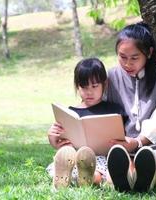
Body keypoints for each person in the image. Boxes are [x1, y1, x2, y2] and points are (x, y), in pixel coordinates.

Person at [105, 22, 156, 193]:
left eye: (134, 58)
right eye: (122, 57)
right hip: (120, 148)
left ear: (149, 53)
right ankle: (123, 179)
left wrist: (139, 142)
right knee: (113, 174)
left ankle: (142, 178)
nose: (127, 64)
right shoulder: (111, 76)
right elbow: (95, 109)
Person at [47, 57, 127, 189]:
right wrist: (53, 137)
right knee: (66, 163)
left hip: (102, 158)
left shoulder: (114, 110)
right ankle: (72, 175)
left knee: (100, 174)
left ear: (105, 84)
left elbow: (121, 137)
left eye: (95, 86)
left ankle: (83, 177)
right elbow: (60, 143)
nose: (89, 92)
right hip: (75, 157)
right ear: (77, 86)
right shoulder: (70, 113)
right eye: (84, 87)